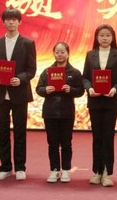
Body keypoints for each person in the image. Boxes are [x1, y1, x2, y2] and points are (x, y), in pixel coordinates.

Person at [0, 8, 37, 181]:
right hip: (1, 94)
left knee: (20, 132)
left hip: (19, 93)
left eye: (14, 19)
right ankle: (5, 167)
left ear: (19, 22)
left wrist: (20, 79)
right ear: (3, 22)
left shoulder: (28, 43)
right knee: (2, 132)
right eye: (8, 19)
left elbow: (31, 70)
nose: (11, 22)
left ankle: (20, 167)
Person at [82, 24, 117, 187]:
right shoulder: (90, 55)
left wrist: (114, 89)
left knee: (108, 137)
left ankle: (107, 172)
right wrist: (89, 88)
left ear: (112, 37)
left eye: (108, 35)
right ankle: (97, 171)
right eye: (102, 35)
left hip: (110, 101)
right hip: (95, 101)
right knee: (97, 137)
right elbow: (85, 77)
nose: (105, 38)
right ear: (96, 37)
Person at [36, 42, 84, 183]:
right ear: (54, 54)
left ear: (68, 54)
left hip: (67, 113)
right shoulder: (47, 72)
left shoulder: (74, 73)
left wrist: (71, 90)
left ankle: (66, 170)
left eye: (63, 52)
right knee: (52, 143)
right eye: (57, 52)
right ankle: (54, 170)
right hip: (50, 112)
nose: (60, 54)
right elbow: (39, 89)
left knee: (66, 143)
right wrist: (45, 90)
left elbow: (80, 91)